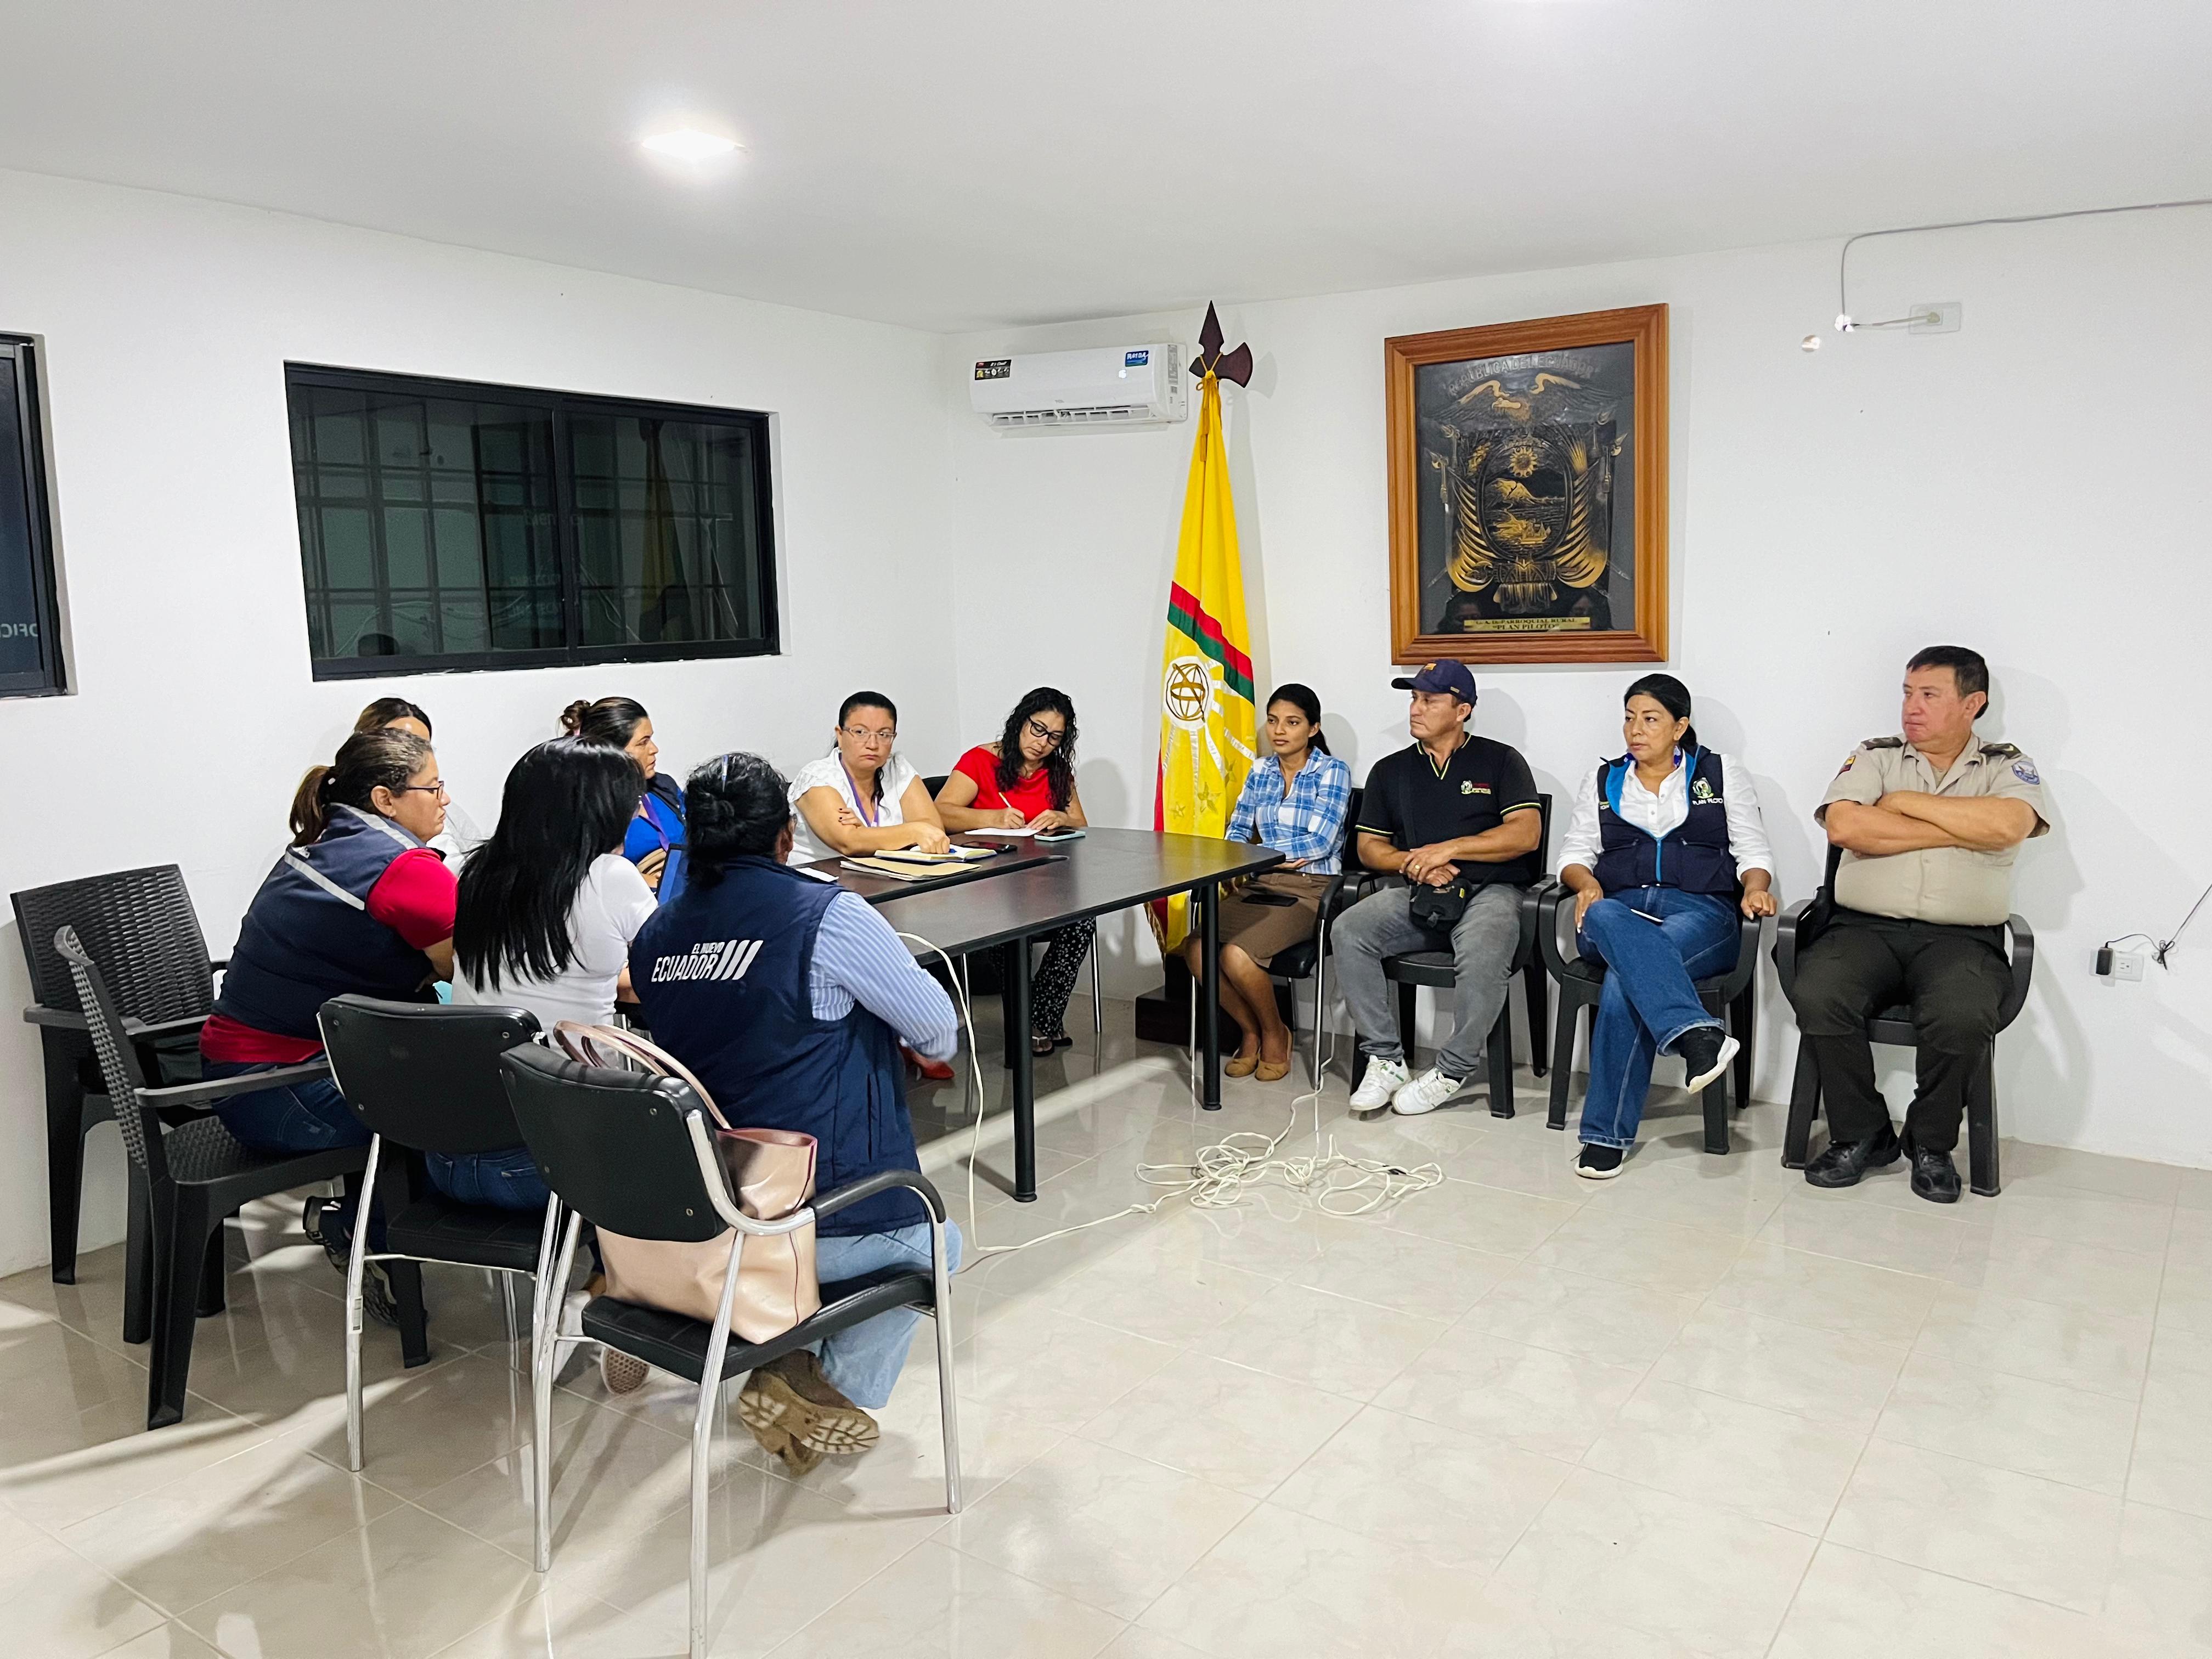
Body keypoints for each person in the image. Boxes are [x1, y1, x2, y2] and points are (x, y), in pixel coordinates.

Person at [632, 753, 962, 1474]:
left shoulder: (655, 937)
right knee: (939, 1242)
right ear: (786, 836)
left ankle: (795, 1364)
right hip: (822, 1211)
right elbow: (938, 1033)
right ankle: (808, 1381)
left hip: (709, 1211)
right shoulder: (826, 917)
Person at [201, 727, 457, 1323]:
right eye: (434, 787)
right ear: (385, 800)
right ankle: (366, 1236)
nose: (445, 799)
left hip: (238, 1075)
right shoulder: (403, 867)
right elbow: (462, 967)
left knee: (431, 1083)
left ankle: (362, 1224)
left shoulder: (324, 843)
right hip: (279, 1088)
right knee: (450, 1109)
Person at [1789, 646, 2048, 1203]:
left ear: (1972, 704)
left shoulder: (2005, 767)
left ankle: (1930, 1144)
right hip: (1863, 930)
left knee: (1963, 1015)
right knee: (1817, 991)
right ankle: (1862, 1134)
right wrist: (1963, 831)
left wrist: (1904, 803)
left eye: (1930, 695)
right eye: (1908, 693)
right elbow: (1846, 827)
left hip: (1962, 941)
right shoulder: (1875, 756)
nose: (1912, 707)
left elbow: (2009, 825)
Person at [452, 736, 658, 1392]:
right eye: (629, 803)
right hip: (555, 1161)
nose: (638, 816)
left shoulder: (478, 875)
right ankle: (610, 1295)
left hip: (457, 1145)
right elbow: (669, 971)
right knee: (682, 1138)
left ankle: (610, 1286)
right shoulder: (610, 878)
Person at [1554, 675, 1776, 1179]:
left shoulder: (1720, 773)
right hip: (1617, 911)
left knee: (1628, 974)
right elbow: (1575, 852)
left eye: (1650, 719)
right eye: (1629, 718)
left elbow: (1752, 849)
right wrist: (1585, 885)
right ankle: (1698, 1035)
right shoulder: (1604, 779)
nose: (1636, 729)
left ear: (1680, 727)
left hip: (1700, 913)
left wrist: (1755, 887)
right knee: (1607, 918)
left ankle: (1604, 1136)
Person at [1337, 661, 1544, 1117]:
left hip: (1491, 890)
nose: (1416, 709)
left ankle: (1452, 1069)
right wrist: (1414, 864)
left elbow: (1526, 834)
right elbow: (1369, 846)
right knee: (1349, 929)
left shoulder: (1501, 760)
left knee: (1485, 947)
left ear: (1462, 710)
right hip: (1422, 891)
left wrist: (1447, 849)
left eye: (1429, 700)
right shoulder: (1391, 770)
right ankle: (1386, 1059)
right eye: (1414, 699)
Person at [1181, 683, 1351, 1081]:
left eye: (1292, 722)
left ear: (1313, 728)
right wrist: (1252, 854)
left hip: (1312, 888)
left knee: (1236, 956)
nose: (1279, 731)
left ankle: (1276, 1033)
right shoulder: (1260, 771)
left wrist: (1258, 853)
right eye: (1273, 721)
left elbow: (1319, 842)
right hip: (1261, 885)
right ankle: (1251, 1029)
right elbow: (1237, 832)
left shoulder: (1332, 771)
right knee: (1196, 949)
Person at [935, 687, 1096, 1056]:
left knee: (1082, 921)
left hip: (1042, 884)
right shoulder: (980, 760)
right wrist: (992, 818)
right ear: (1020, 721)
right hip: (987, 886)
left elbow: (1082, 823)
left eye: (1054, 737)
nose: (1042, 743)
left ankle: (1034, 1018)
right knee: (1008, 926)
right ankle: (1039, 1022)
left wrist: (1061, 818)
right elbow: (940, 812)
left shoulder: (1056, 770)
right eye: (1037, 729)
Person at [786, 691, 950, 865]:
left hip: (887, 875)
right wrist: (914, 832)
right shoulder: (817, 777)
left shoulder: (897, 769)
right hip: (822, 877)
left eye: (884, 735)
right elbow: (849, 843)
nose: (873, 745)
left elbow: (934, 831)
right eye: (860, 732)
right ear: (840, 735)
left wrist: (866, 835)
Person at [561, 696, 687, 900]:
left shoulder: (663, 788)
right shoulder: (588, 808)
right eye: (643, 743)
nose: (654, 749)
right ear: (612, 752)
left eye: (651, 739)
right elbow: (582, 878)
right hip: (633, 904)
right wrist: (640, 880)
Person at [353, 697, 487, 858]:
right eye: (401, 747)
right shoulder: (363, 836)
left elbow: (480, 861)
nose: (417, 756)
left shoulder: (443, 808)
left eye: (424, 746)